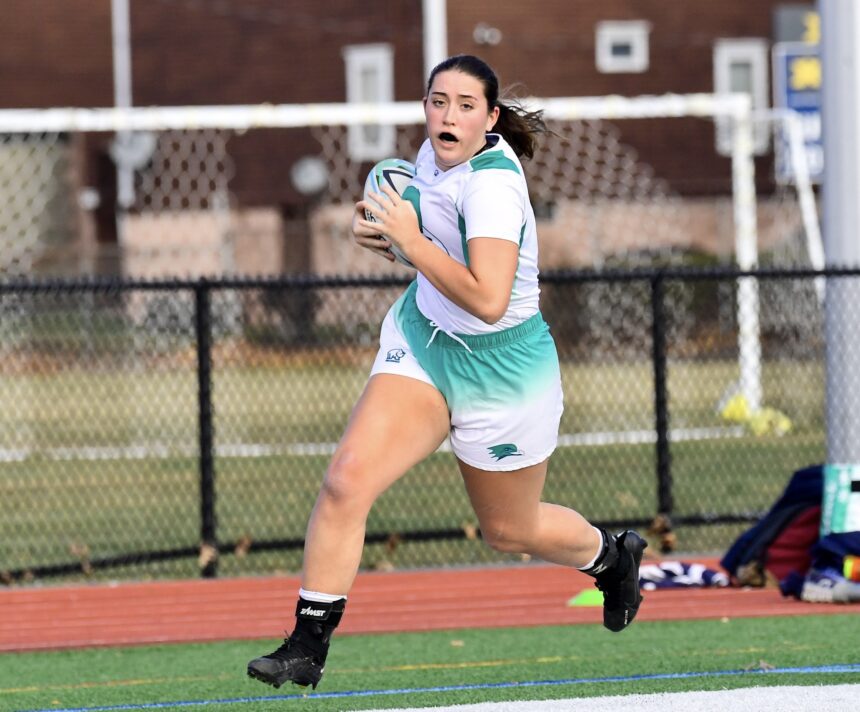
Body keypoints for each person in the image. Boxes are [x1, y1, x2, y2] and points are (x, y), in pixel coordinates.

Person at [247, 54, 646, 691]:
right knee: (347, 480)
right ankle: (307, 644)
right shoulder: (431, 157)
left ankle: (611, 557)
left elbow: (488, 299)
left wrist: (409, 240)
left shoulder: (492, 185)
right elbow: (405, 203)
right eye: (438, 101)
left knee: (509, 530)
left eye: (465, 105)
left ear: (491, 119)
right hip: (426, 342)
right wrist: (378, 227)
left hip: (505, 369)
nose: (448, 115)